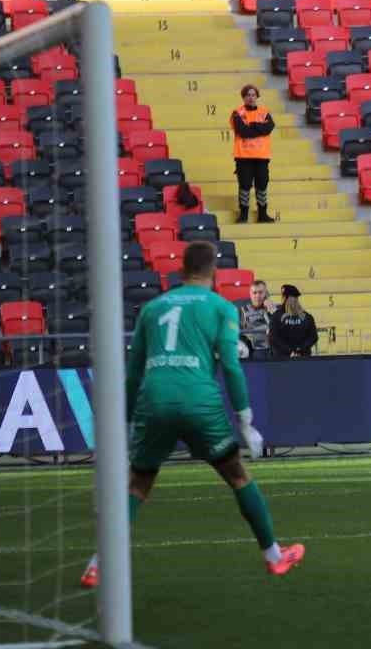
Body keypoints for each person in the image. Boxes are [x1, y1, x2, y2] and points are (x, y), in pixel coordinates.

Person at [77, 241, 303, 588]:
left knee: (137, 485)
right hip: (200, 402)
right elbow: (230, 366)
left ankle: (98, 564)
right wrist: (246, 421)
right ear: (214, 272)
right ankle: (273, 556)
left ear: (181, 271)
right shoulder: (221, 307)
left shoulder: (152, 308)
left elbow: (133, 372)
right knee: (238, 476)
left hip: (154, 401)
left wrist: (125, 422)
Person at [230, 83, 274, 224]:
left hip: (262, 157)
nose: (251, 97)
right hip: (243, 157)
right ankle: (243, 215)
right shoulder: (237, 113)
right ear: (243, 97)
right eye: (248, 95)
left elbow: (269, 127)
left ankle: (262, 214)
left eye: (253, 95)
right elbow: (243, 131)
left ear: (257, 96)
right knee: (244, 185)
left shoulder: (265, 112)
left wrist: (252, 125)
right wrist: (258, 128)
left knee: (262, 184)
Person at [267, 284, 318, 358]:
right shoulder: (307, 317)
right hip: (303, 358)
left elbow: (273, 338)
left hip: (282, 359)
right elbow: (313, 337)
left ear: (283, 298)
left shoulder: (276, 316)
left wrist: (290, 351)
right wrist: (300, 349)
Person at [237, 279, 274, 360]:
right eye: (254, 293)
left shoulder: (273, 309)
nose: (257, 296)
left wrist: (271, 311)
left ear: (265, 294)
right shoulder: (243, 311)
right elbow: (238, 332)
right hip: (254, 349)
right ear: (250, 294)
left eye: (261, 292)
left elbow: (278, 328)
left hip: (273, 347)